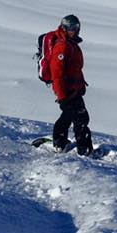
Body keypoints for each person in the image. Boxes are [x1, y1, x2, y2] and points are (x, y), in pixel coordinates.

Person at [39, 14, 94, 155]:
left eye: (76, 28)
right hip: (66, 89)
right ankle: (83, 149)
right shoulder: (62, 46)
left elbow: (75, 69)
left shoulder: (71, 43)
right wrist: (62, 96)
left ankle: (60, 142)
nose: (73, 31)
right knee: (80, 118)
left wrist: (81, 85)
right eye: (70, 28)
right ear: (63, 27)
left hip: (74, 88)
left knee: (70, 116)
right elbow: (56, 73)